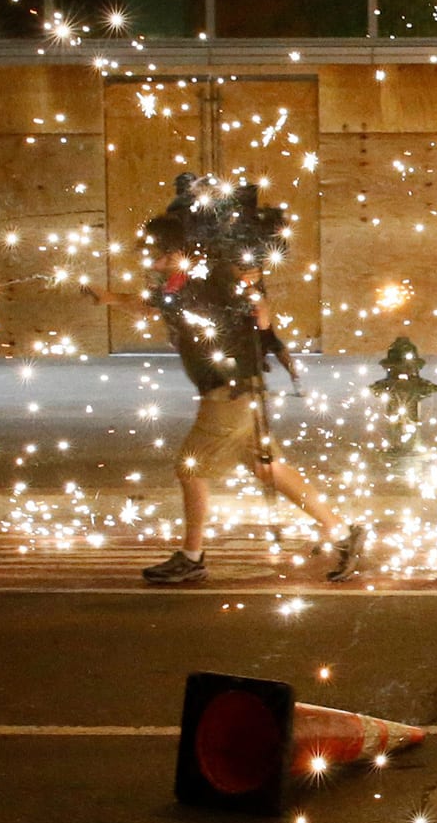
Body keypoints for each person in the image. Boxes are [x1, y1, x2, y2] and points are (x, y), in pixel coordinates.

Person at [90, 214, 367, 585]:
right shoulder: (178, 281)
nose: (153, 264)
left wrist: (257, 305)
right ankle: (342, 533)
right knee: (268, 468)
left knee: (191, 468)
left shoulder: (211, 276)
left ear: (178, 251)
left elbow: (259, 311)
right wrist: (107, 297)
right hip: (234, 387)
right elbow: (149, 306)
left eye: (159, 256)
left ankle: (191, 557)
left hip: (229, 390)